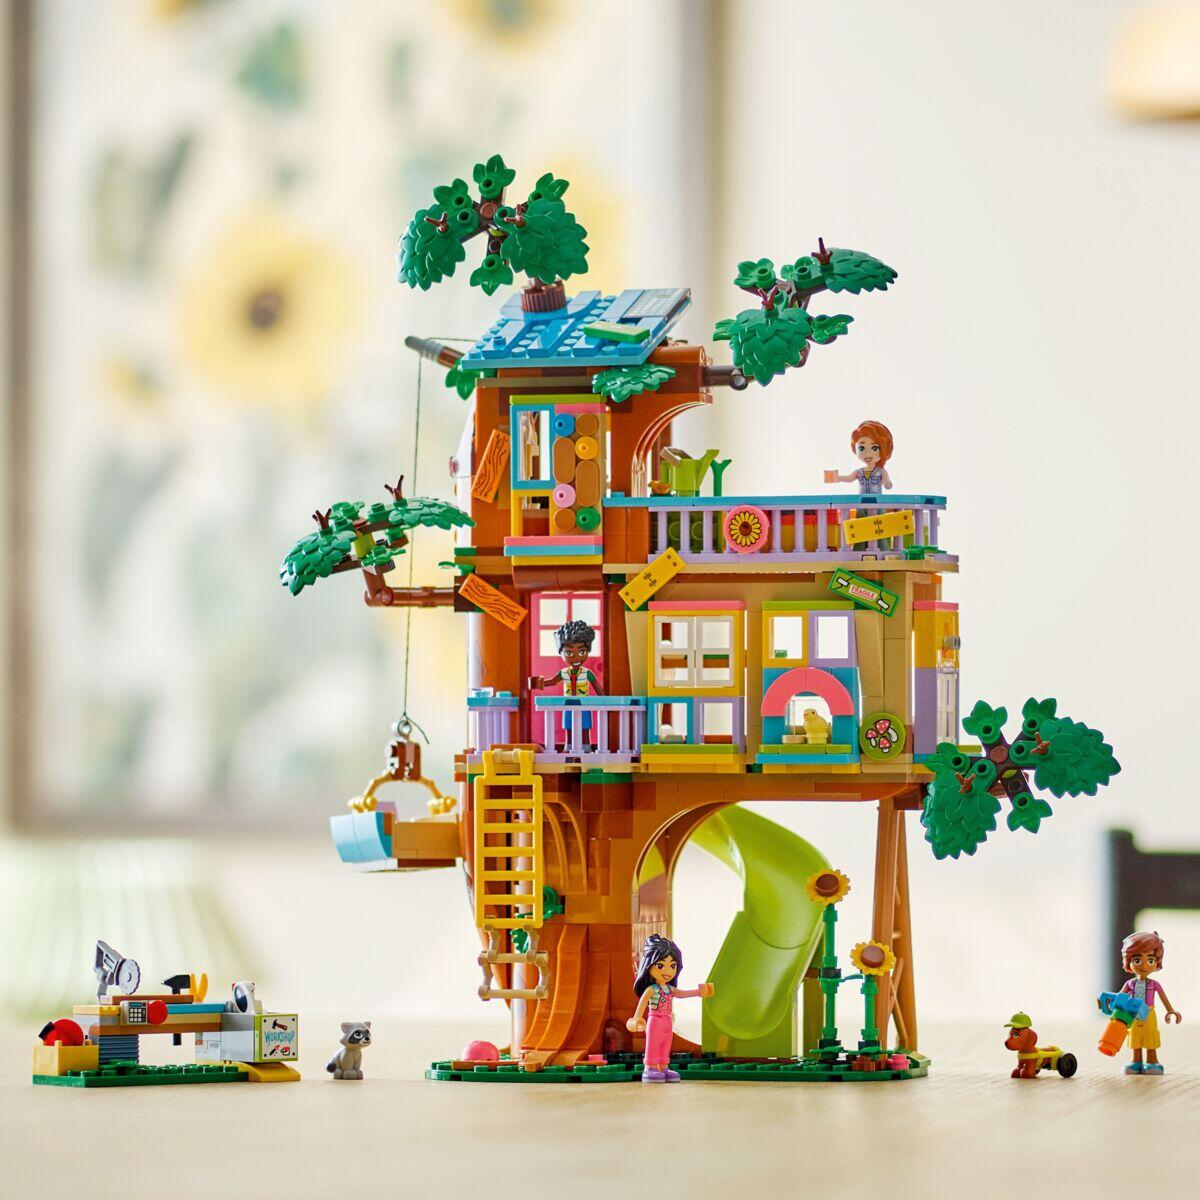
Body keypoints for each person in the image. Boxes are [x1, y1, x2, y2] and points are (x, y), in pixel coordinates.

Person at [625, 934, 714, 1083]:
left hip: (667, 1020)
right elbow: (642, 1003)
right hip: (655, 1019)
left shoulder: (669, 989)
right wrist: (636, 1018)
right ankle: (650, 1068)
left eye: (672, 966)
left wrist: (699, 992)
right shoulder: (651, 989)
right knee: (653, 1043)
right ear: (648, 965)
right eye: (660, 966)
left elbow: (682, 994)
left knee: (665, 1044)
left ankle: (663, 1067)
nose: (667, 971)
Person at [527, 619, 602, 750]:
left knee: (585, 727)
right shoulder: (564, 673)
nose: (576, 657)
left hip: (583, 704)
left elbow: (597, 688)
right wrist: (539, 683)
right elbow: (553, 681)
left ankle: (586, 746)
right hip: (568, 704)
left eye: (582, 652)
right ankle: (569, 745)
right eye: (569, 653)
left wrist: (604, 699)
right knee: (568, 726)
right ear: (561, 652)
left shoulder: (587, 673)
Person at [1118, 930, 1183, 1075]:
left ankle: (1152, 1061)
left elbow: (1163, 998)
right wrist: (1111, 1002)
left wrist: (1170, 1010)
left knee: (1150, 1036)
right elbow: (1120, 996)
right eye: (1137, 960)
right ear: (1129, 961)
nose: (1144, 965)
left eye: (1150, 960)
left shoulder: (1154, 984)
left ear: (1157, 962)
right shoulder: (1130, 984)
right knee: (1135, 1037)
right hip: (1133, 1014)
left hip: (1148, 1013)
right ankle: (1136, 1061)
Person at [824, 420, 894, 494]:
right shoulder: (859, 472)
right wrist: (837, 478)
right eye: (861, 448)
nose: (868, 453)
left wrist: (887, 483)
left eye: (874, 448)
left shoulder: (881, 471)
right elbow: (849, 478)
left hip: (876, 499)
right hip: (861, 499)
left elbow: (888, 485)